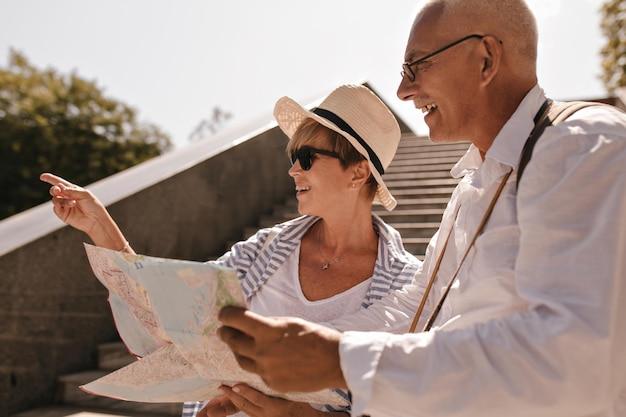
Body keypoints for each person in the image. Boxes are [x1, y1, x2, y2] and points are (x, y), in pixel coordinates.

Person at [216, 1, 626, 416]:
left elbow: (577, 361)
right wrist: (275, 362)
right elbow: (416, 307)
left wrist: (339, 360)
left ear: (486, 59)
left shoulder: (579, 143)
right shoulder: (473, 186)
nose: (403, 91)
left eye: (417, 66)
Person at [40, 84, 421, 417]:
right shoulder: (265, 248)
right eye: (293, 158)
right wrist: (101, 227)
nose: (293, 171)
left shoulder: (411, 286)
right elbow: (172, 316)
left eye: (307, 158)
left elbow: (409, 404)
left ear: (358, 172)